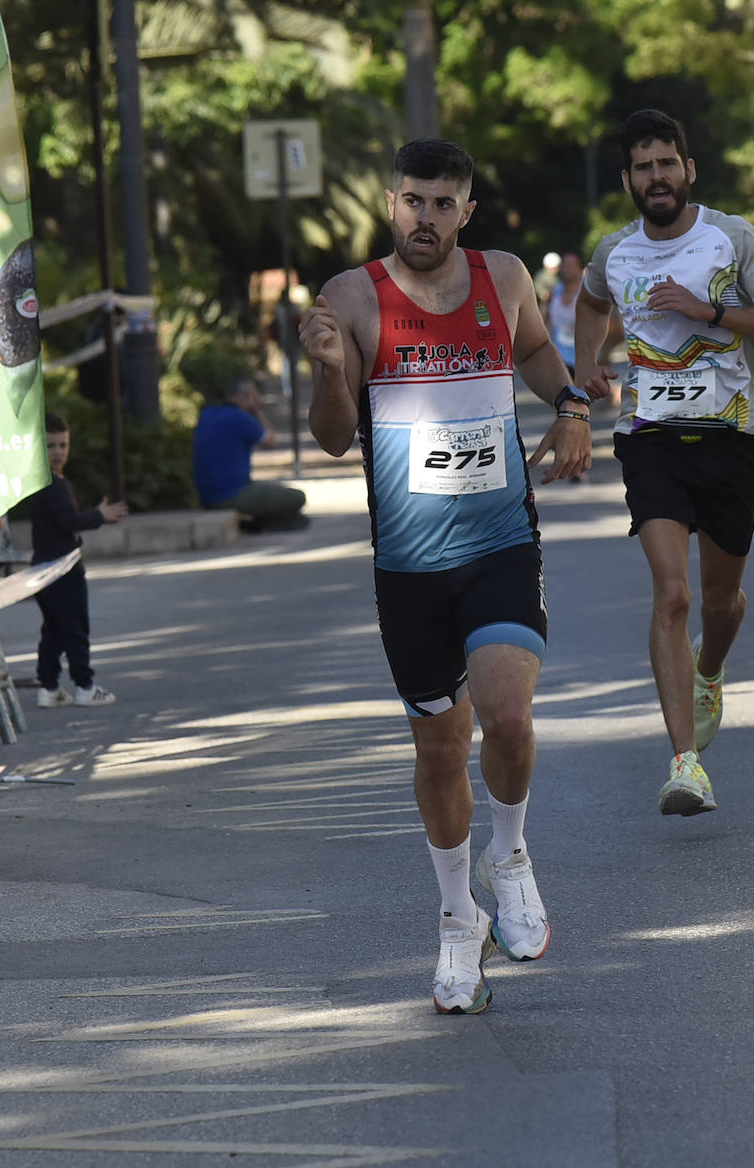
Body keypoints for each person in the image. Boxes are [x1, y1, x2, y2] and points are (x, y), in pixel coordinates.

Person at [298, 138, 591, 1015]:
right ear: (392, 204)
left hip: (500, 542)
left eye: (442, 204)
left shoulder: (503, 279)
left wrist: (570, 403)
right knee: (438, 752)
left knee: (505, 714)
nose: (424, 218)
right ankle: (459, 920)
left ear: (467, 211)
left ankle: (512, 856)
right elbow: (332, 436)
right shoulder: (352, 298)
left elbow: (537, 352)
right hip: (410, 566)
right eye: (411, 201)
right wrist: (325, 370)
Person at [574, 108, 754, 818]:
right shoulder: (615, 252)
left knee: (719, 601)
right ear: (628, 180)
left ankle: (710, 670)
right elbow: (589, 301)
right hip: (652, 439)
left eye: (667, 163)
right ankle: (685, 764)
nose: (657, 177)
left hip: (732, 437)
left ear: (688, 169)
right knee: (671, 595)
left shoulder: (731, 238)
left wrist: (710, 311)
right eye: (643, 168)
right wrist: (588, 367)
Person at [28, 412, 128, 708]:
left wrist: (96, 514)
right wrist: (101, 515)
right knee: (74, 628)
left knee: (54, 630)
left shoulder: (39, 482)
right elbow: (68, 520)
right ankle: (84, 685)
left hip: (44, 569)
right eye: (50, 446)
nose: (58, 452)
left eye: (62, 445)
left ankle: (48, 687)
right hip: (64, 569)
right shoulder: (56, 485)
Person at [192, 377, 308, 532]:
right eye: (255, 395)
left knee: (272, 490)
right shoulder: (240, 418)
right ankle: (264, 523)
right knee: (297, 497)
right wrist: (257, 410)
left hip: (205, 495)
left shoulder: (207, 414)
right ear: (248, 396)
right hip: (231, 494)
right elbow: (271, 442)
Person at [544, 251, 582, 375]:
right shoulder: (555, 291)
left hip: (583, 356)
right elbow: (547, 321)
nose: (568, 269)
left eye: (572, 265)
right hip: (559, 358)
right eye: (565, 265)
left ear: (579, 267)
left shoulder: (586, 291)